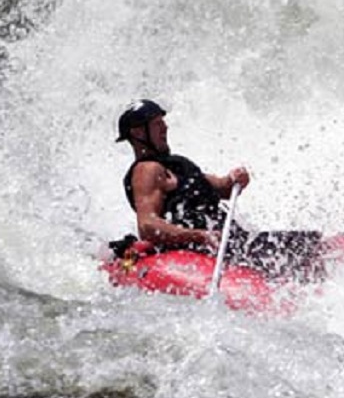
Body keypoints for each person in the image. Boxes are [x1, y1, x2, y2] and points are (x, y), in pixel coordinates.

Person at [113, 99, 323, 280]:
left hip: (228, 240)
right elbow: (148, 225)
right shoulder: (146, 170)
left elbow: (221, 187)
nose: (165, 128)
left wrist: (233, 179)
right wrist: (200, 236)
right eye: (157, 124)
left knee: (305, 244)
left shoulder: (176, 165)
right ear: (138, 132)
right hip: (201, 248)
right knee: (305, 251)